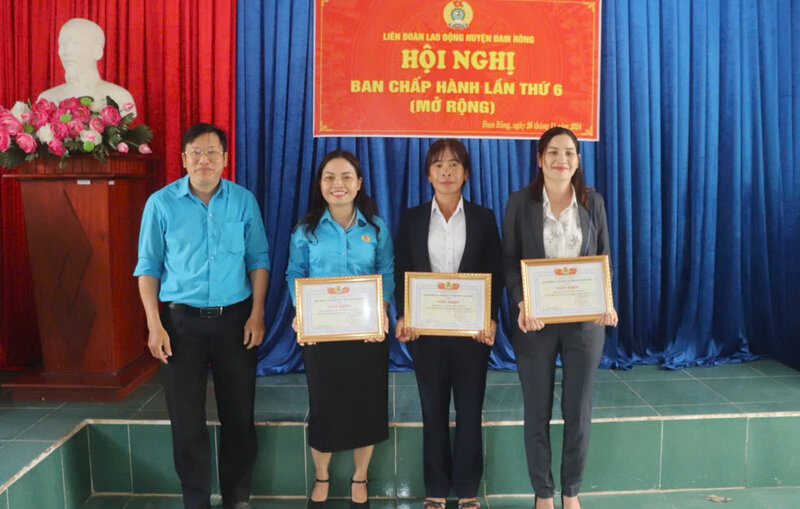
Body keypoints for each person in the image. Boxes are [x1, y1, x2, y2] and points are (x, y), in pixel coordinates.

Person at [134, 123, 269, 509]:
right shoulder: (161, 204)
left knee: (239, 415)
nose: (204, 160)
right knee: (186, 418)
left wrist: (257, 314)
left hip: (236, 321)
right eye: (196, 152)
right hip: (179, 325)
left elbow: (259, 260)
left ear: (226, 160)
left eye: (212, 152)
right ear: (183, 159)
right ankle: (195, 499)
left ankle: (237, 497)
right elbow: (148, 266)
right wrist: (154, 324)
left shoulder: (243, 202)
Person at [502, 127, 618, 509]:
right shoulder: (520, 202)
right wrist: (522, 304)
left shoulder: (592, 202)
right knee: (537, 411)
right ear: (539, 159)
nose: (561, 160)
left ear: (578, 161)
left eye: (569, 153)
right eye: (552, 152)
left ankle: (571, 493)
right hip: (535, 324)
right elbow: (509, 261)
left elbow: (603, 258)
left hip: (584, 325)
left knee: (577, 411)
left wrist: (607, 301)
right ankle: (543, 494)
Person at [394, 139, 502, 509]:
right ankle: (436, 489)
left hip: (471, 332)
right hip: (426, 332)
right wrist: (405, 314)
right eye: (438, 165)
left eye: (454, 165)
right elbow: (401, 272)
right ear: (428, 174)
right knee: (433, 410)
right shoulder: (411, 218)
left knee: (470, 409)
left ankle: (468, 489)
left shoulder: (484, 218)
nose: (446, 171)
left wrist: (491, 317)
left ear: (467, 173)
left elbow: (495, 273)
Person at [286, 150, 394, 509]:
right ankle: (322, 475)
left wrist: (381, 314)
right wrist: (302, 313)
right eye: (330, 177)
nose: (338, 184)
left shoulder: (376, 228)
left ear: (359, 184)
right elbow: (295, 274)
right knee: (324, 403)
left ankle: (359, 476)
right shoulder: (306, 230)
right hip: (321, 333)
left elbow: (387, 273)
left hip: (367, 334)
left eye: (347, 177)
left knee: (367, 403)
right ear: (320, 185)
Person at [38, 18, 137, 116]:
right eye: (62, 44)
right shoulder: (47, 99)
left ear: (97, 52)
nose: (66, 52)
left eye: (74, 43)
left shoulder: (120, 97)